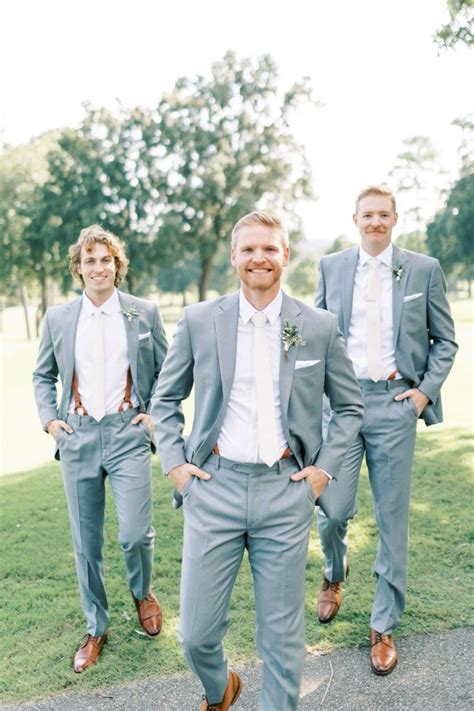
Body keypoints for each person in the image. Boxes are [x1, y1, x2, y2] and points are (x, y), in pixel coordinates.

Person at [151, 211, 363, 711]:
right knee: (196, 635)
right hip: (214, 486)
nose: (259, 258)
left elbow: (351, 407)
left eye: (269, 248)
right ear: (234, 257)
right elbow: (164, 401)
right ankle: (221, 687)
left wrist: (320, 473)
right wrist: (178, 467)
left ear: (285, 255)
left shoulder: (318, 325)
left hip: (286, 489)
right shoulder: (200, 320)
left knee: (283, 641)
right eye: (248, 249)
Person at [314, 185, 458, 675]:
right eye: (367, 215)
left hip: (396, 405)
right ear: (354, 219)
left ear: (394, 219)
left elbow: (445, 340)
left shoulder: (423, 269)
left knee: (392, 520)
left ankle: (383, 624)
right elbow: (316, 335)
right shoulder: (332, 268)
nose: (375, 222)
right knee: (332, 510)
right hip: (343, 406)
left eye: (383, 215)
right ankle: (335, 573)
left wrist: (422, 395)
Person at [33, 225, 168, 673]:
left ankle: (142, 593)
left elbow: (169, 372)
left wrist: (154, 417)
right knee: (86, 542)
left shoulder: (144, 313)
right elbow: (43, 375)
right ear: (79, 268)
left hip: (128, 433)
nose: (98, 267)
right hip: (78, 436)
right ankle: (96, 626)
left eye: (105, 260)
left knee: (134, 533)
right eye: (89, 260)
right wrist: (50, 419)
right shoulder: (58, 319)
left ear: (117, 266)